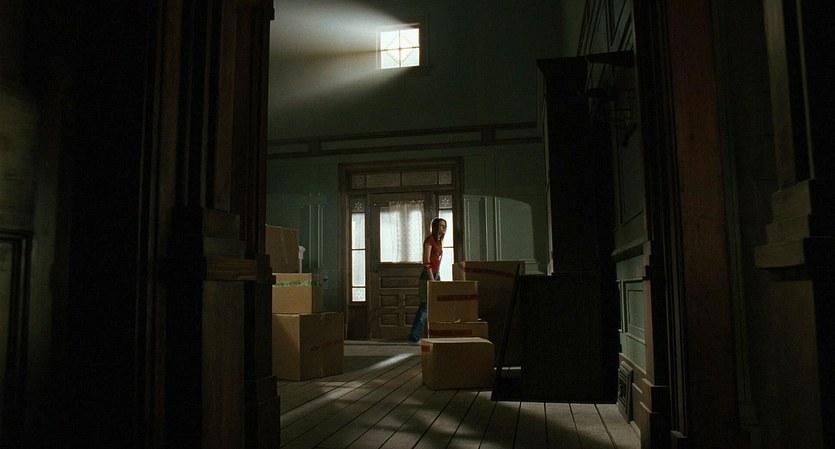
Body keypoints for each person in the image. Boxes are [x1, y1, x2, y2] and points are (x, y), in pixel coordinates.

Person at [408, 217, 447, 342]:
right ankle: (414, 335)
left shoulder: (439, 241)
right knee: (425, 306)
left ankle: (435, 333)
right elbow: (426, 260)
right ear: (435, 227)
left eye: (445, 226)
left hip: (436, 275)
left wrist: (437, 276)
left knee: (436, 304)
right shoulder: (429, 240)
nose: (444, 228)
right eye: (441, 225)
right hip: (428, 276)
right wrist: (431, 279)